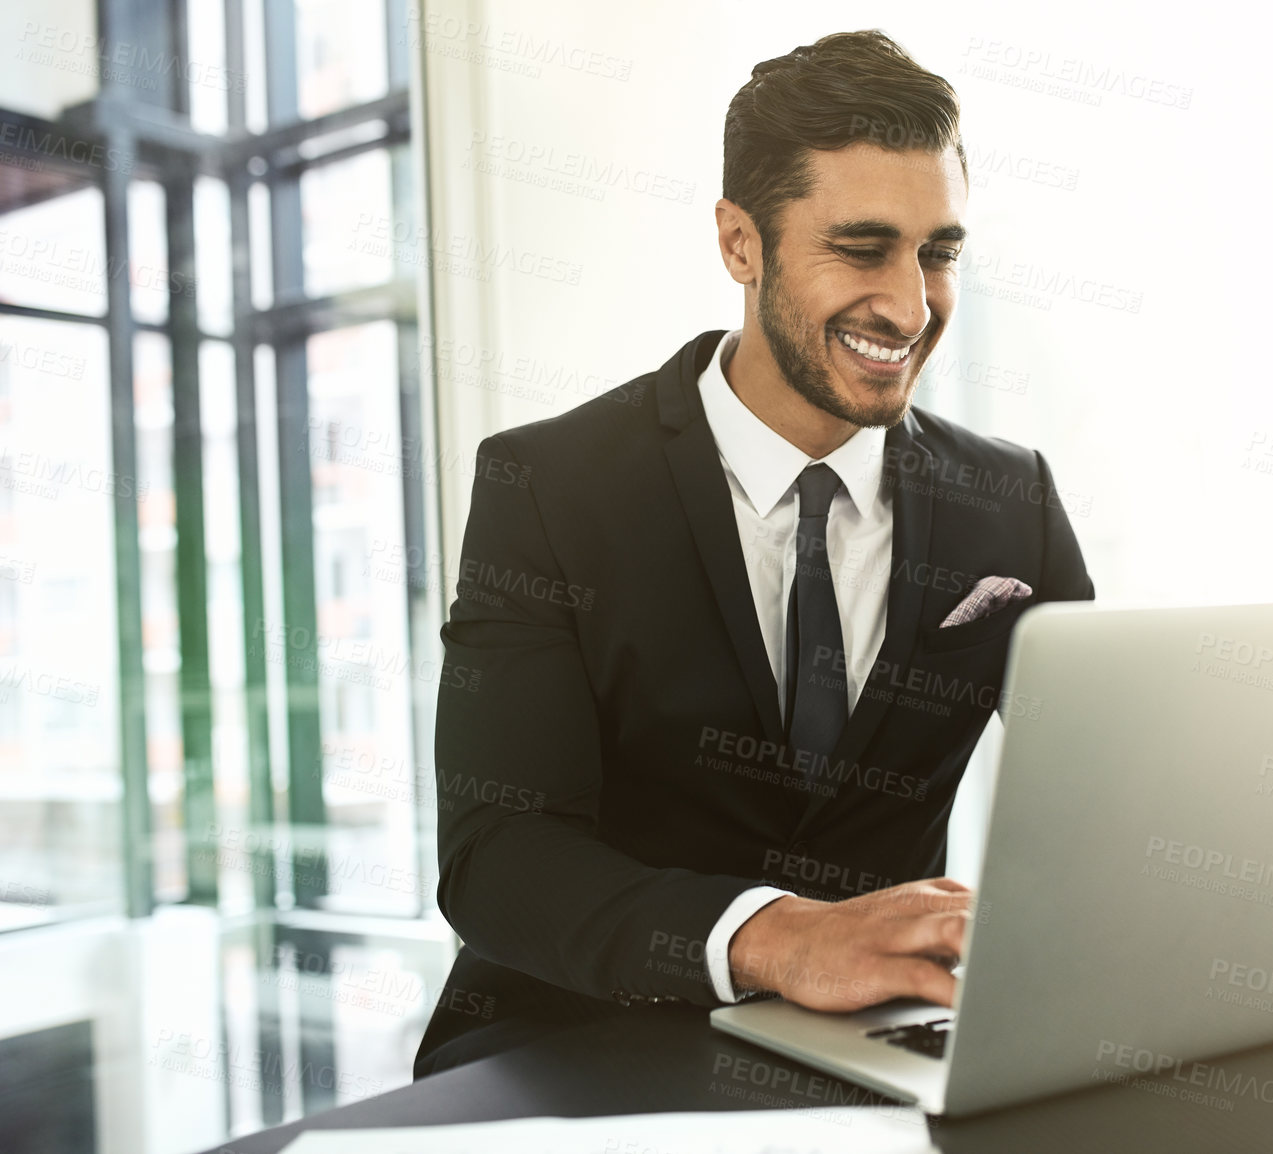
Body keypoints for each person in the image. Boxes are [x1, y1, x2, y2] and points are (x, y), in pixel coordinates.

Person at [415, 29, 1093, 1076]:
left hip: (880, 1048)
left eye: (938, 252)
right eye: (862, 249)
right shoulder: (550, 486)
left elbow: (1102, 790)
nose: (911, 305)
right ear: (741, 243)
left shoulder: (1012, 502)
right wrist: (782, 937)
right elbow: (497, 856)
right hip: (582, 1036)